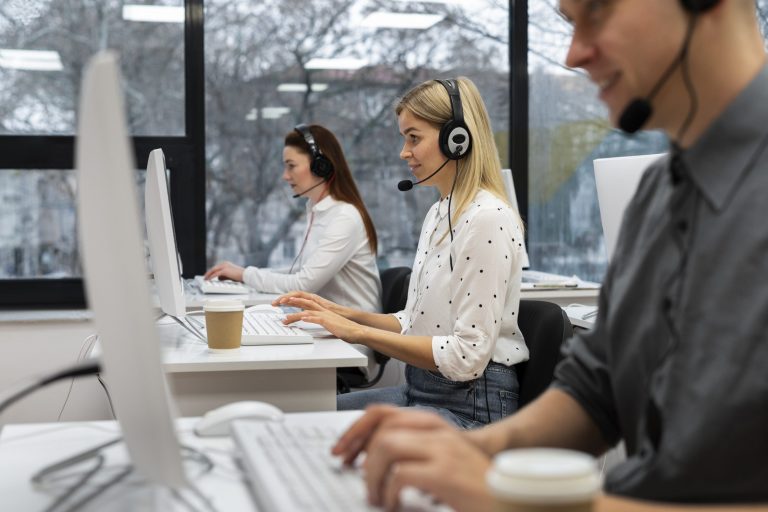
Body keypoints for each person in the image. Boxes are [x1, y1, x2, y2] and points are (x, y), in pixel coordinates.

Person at [330, 0, 768, 509]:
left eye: (598, 11)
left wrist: (509, 496)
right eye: (567, 23)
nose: (573, 54)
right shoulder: (660, 194)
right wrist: (467, 453)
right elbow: (594, 394)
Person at [275, 77, 527, 427]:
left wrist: (359, 334)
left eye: (414, 138)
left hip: (472, 406)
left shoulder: (487, 218)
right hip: (421, 389)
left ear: (457, 140)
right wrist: (344, 314)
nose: (404, 152)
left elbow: (466, 356)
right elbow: (413, 322)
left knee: (328, 437)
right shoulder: (441, 213)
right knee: (306, 420)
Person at [204, 124, 381, 313]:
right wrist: (242, 274)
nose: (285, 176)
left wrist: (245, 274)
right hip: (328, 324)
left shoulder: (344, 218)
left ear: (321, 166)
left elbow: (303, 284)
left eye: (291, 166)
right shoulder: (318, 210)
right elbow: (300, 273)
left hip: (353, 336)